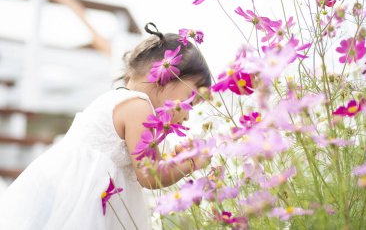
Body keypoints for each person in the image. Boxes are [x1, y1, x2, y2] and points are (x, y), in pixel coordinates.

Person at [0, 23, 212, 230]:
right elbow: (150, 175)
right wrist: (191, 163)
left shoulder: (122, 100)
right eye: (190, 101)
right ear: (167, 77)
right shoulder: (138, 107)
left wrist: (174, 161)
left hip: (75, 195)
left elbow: (145, 164)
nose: (187, 115)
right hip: (84, 204)